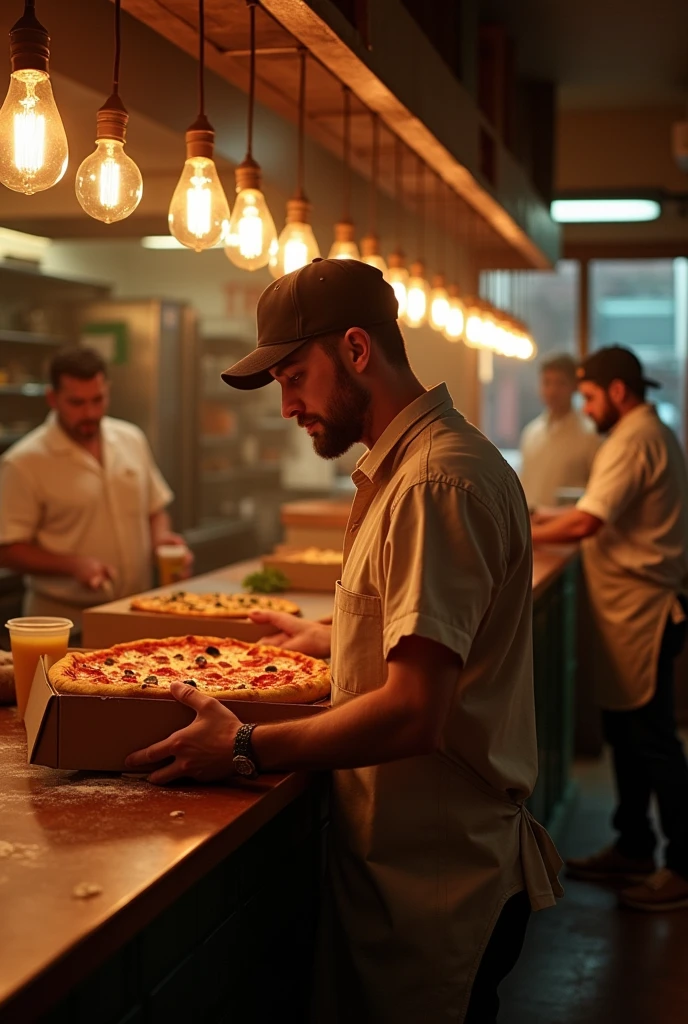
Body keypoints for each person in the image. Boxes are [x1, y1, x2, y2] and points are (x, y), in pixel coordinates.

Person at [126, 258, 563, 1024]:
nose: (288, 405)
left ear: (356, 350)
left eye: (294, 376)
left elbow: (414, 712)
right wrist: (330, 636)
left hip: (439, 880)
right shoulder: (408, 471)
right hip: (409, 867)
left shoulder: (434, 485)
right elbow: (421, 625)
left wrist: (243, 746)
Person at [531, 345, 688, 911]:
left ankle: (683, 866)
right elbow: (585, 512)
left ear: (618, 392)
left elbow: (588, 520)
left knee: (654, 741)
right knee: (628, 735)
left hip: (645, 611)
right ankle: (635, 846)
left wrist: (513, 535)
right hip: (630, 610)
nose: (586, 406)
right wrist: (533, 516)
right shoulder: (638, 434)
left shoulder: (634, 438)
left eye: (591, 397)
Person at [0, 346, 189, 629]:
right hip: (64, 623)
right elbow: (7, 548)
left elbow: (155, 509)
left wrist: (160, 540)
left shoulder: (130, 438)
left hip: (135, 610)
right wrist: (74, 566)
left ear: (108, 391)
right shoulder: (24, 461)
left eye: (97, 400)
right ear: (53, 398)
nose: (89, 412)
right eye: (76, 403)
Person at [519, 352, 600, 509]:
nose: (552, 391)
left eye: (560, 383)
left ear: (574, 386)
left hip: (570, 526)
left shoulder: (591, 433)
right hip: (531, 525)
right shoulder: (531, 432)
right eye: (547, 383)